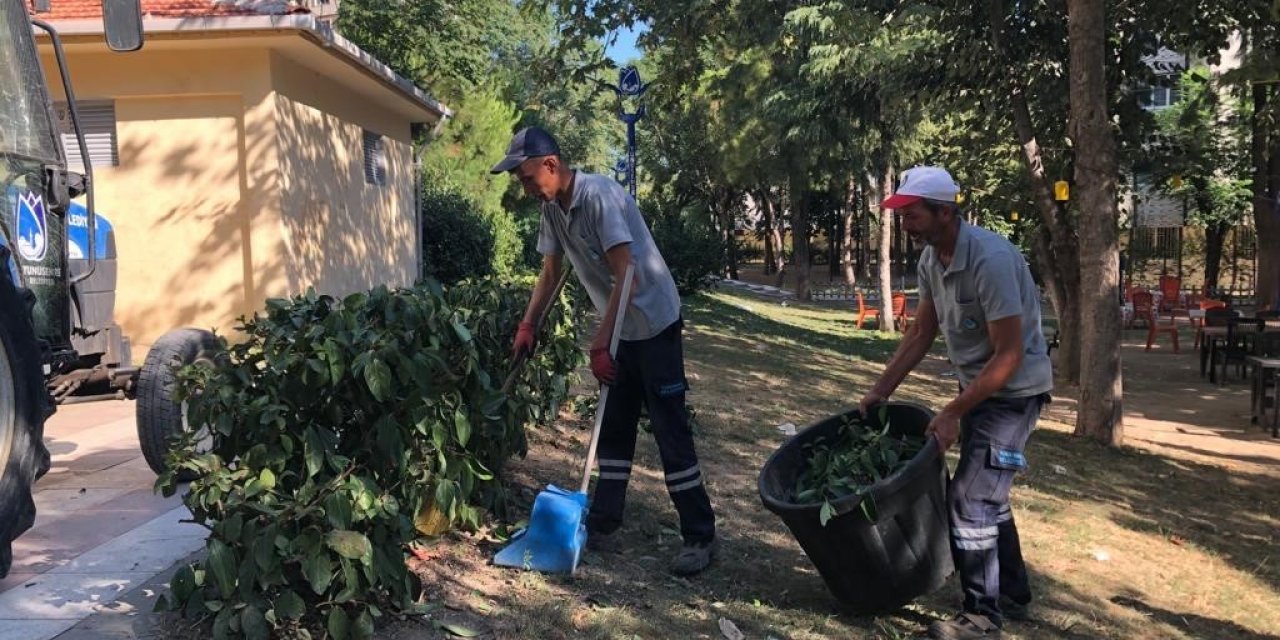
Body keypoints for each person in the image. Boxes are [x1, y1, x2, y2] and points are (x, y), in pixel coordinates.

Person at [492, 126, 718, 576]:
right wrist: (527, 323)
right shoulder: (552, 209)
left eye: (527, 176)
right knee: (613, 426)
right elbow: (551, 271)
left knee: (669, 425)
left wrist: (600, 340)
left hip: (654, 322)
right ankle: (604, 521)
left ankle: (699, 535)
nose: (525, 186)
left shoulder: (600, 197)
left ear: (551, 164)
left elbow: (627, 271)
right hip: (621, 327)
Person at [858, 167, 1053, 639]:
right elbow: (921, 332)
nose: (905, 224)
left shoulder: (990, 259)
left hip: (1015, 394)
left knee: (969, 497)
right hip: (980, 391)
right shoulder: (932, 262)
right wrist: (881, 390)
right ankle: (1011, 590)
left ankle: (982, 617)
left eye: (912, 214)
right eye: (901, 215)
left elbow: (1008, 357)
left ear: (945, 211)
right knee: (986, 493)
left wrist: (952, 412)